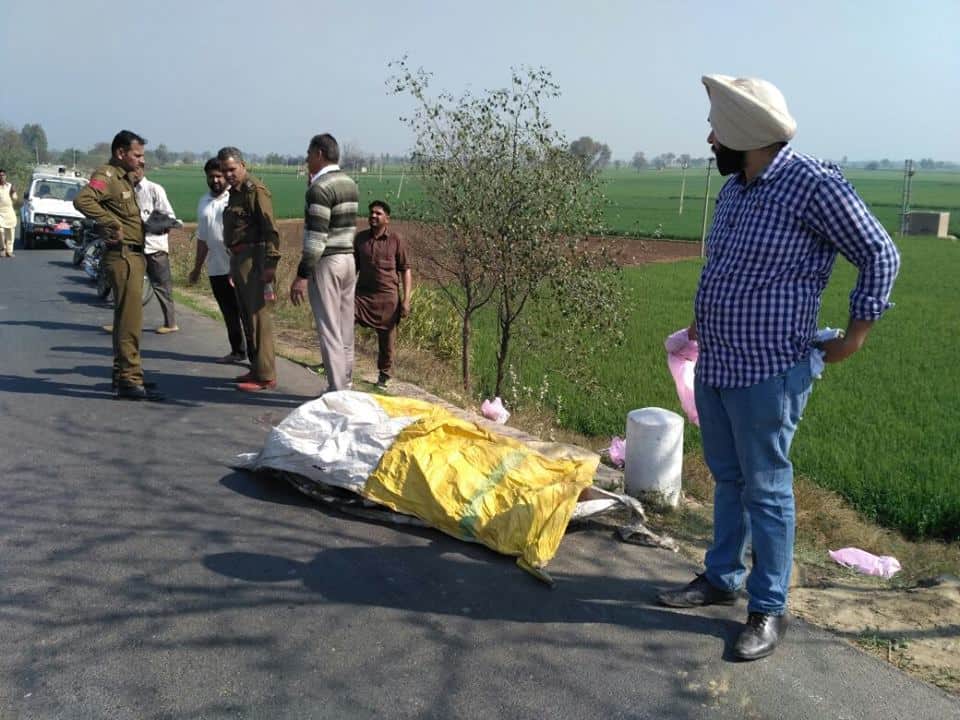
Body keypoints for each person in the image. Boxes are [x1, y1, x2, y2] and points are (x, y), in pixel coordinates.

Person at [657, 75, 901, 661]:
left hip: (769, 369)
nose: (710, 138)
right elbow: (731, 270)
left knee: (766, 490)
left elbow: (879, 252)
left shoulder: (811, 184)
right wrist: (700, 325)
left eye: (718, 130)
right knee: (729, 480)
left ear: (745, 133)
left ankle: (768, 608)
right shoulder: (739, 188)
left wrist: (858, 333)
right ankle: (721, 578)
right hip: (716, 362)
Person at [74, 130, 163, 401]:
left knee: (126, 318)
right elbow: (83, 200)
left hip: (132, 255)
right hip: (123, 256)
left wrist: (137, 171)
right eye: (137, 155)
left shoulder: (124, 179)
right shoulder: (108, 176)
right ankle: (129, 379)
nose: (141, 160)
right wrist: (110, 223)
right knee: (130, 322)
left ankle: (122, 373)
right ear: (120, 153)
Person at [289, 134, 358, 393]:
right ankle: (346, 384)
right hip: (348, 259)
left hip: (327, 262)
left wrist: (302, 275)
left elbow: (316, 239)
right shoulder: (348, 182)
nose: (306, 159)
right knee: (344, 328)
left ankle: (337, 391)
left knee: (329, 330)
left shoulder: (319, 189)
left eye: (309, 153)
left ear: (319, 153)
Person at [218, 147, 281, 392]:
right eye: (225, 171)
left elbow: (270, 229)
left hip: (255, 258)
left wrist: (270, 264)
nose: (228, 175)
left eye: (232, 169)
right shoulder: (234, 193)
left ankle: (266, 375)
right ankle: (255, 368)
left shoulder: (256, 191)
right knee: (247, 317)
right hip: (239, 258)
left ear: (243, 165)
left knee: (258, 317)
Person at [188, 158, 253, 364]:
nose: (215, 180)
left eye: (219, 175)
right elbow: (203, 238)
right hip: (216, 267)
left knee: (247, 314)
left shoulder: (234, 199)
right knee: (228, 313)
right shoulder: (203, 202)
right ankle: (237, 351)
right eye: (211, 176)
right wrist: (197, 268)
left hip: (239, 267)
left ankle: (256, 357)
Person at [354, 200, 412, 388]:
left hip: (388, 299)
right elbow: (352, 268)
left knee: (386, 341)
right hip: (361, 296)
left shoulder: (396, 240)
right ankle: (337, 364)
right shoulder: (360, 239)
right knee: (341, 322)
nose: (373, 216)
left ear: (387, 219)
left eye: (378, 213)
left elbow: (405, 270)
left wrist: (406, 300)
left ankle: (384, 375)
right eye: (371, 212)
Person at [130, 167, 179, 334]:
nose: (132, 173)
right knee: (130, 286)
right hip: (134, 246)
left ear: (142, 170)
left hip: (154, 246)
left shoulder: (154, 189)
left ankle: (170, 323)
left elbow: (169, 217)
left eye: (136, 170)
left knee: (162, 286)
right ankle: (126, 324)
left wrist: (147, 224)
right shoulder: (127, 189)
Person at [0, 169, 17, 258]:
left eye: (3, 175)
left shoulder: (10, 186)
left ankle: (9, 251)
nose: (2, 177)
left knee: (10, 231)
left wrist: (13, 192)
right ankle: (3, 248)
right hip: (0, 212)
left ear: (6, 176)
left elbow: (15, 198)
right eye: (0, 175)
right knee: (1, 231)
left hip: (9, 211)